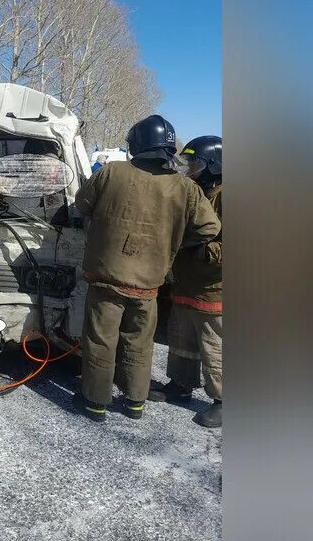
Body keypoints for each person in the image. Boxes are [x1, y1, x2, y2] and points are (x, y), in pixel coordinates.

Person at [73, 115, 221, 422]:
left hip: (106, 280)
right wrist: (175, 240)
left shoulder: (111, 172)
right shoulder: (185, 188)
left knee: (101, 341)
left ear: (136, 145)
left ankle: (95, 404)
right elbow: (209, 227)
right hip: (149, 285)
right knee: (139, 342)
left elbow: (81, 205)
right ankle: (135, 402)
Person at [148, 135, 223, 428]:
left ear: (214, 165)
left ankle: (222, 399)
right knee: (182, 340)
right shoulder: (197, 192)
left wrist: (203, 251)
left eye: (195, 163)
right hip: (185, 284)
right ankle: (180, 385)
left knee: (214, 346)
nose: (190, 168)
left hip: (213, 288)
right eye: (188, 162)